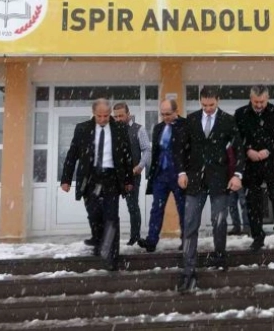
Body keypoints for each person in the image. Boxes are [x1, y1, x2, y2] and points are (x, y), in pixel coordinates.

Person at [174, 86, 244, 293]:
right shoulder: (191, 120)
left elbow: (239, 149)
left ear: (218, 100)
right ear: (200, 102)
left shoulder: (228, 120)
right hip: (194, 180)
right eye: (204, 105)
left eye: (211, 105)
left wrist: (237, 175)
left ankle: (220, 255)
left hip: (219, 180)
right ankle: (188, 270)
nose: (208, 108)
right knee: (190, 225)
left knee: (219, 222)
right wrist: (181, 172)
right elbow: (180, 148)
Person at [60, 98, 133, 271]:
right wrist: (66, 179)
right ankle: (99, 240)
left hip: (111, 178)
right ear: (93, 113)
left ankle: (111, 257)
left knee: (111, 217)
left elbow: (127, 155)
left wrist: (129, 180)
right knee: (94, 214)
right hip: (90, 178)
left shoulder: (120, 129)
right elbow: (72, 154)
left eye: (106, 116)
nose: (103, 119)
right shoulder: (82, 129)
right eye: (99, 116)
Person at [235, 84, 274, 250]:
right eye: (256, 102)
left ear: (267, 99)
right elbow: (236, 138)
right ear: (251, 99)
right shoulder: (240, 114)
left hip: (273, 163)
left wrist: (268, 150)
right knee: (253, 203)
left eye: (262, 102)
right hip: (251, 166)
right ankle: (257, 236)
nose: (259, 105)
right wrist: (248, 150)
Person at [138, 99, 187, 253]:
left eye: (168, 114)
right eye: (163, 114)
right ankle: (151, 241)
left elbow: (188, 152)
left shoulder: (185, 125)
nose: (165, 117)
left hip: (178, 174)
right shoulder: (158, 128)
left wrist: (186, 173)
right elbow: (156, 152)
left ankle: (186, 240)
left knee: (183, 209)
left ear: (176, 111)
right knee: (156, 208)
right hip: (161, 174)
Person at [112, 102, 151, 246]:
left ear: (128, 114)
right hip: (114, 175)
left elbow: (146, 150)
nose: (118, 119)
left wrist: (140, 166)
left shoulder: (139, 129)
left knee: (132, 206)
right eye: (116, 116)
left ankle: (135, 237)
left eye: (121, 116)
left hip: (132, 175)